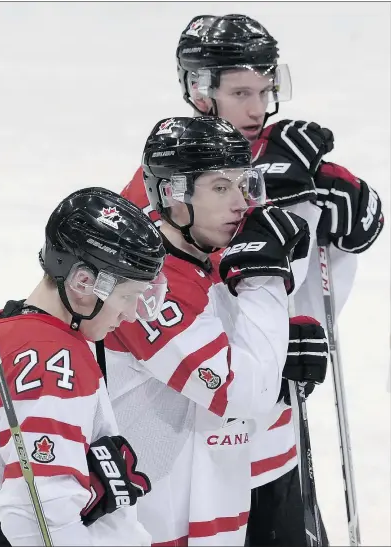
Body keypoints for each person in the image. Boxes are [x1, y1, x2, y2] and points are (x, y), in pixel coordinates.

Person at [120, 14, 384, 546]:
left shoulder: (291, 163)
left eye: (266, 89)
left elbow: (330, 250)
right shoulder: (167, 180)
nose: (258, 108)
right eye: (241, 91)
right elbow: (178, 277)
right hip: (204, 438)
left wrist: (349, 212)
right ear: (199, 90)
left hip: (275, 435)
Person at [104, 116, 329, 545]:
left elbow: (241, 367)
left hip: (213, 502)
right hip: (155, 523)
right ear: (172, 195)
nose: (241, 203)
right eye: (220, 188)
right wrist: (264, 281)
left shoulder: (212, 256)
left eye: (245, 184)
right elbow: (245, 394)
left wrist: (279, 348)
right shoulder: (147, 285)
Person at [0, 187, 168, 546]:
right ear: (83, 282)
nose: (131, 315)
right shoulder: (53, 361)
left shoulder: (2, 328)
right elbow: (36, 515)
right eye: (128, 296)